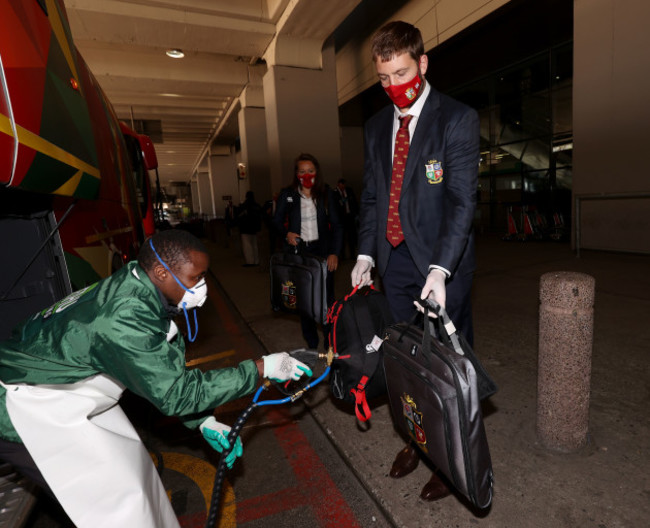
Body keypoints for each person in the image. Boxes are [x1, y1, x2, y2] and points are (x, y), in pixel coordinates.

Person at [0, 229, 312, 527]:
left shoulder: (142, 289)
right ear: (162, 273)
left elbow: (160, 370)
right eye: (196, 278)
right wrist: (260, 368)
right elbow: (176, 392)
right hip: (26, 407)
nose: (202, 286)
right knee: (113, 505)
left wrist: (201, 421)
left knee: (136, 477)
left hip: (64, 391)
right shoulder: (122, 319)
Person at [351, 21, 479, 501]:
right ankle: (415, 440)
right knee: (405, 364)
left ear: (422, 63)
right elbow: (372, 197)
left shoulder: (456, 118)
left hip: (441, 269)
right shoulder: (376, 126)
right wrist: (365, 252)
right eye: (383, 78)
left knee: (446, 369)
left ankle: (449, 461)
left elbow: (462, 203)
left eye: (401, 73)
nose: (393, 86)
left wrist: (442, 269)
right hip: (394, 262)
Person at [273, 153, 343, 350]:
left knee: (327, 300)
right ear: (296, 174)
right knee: (304, 301)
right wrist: (286, 233)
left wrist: (334, 252)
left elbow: (338, 226)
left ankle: (330, 343)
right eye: (302, 171)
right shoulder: (288, 194)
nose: (306, 175)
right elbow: (276, 221)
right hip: (299, 253)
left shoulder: (327, 193)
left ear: (316, 172)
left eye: (310, 171)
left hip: (323, 253)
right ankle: (312, 343)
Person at [236, 191, 263, 266]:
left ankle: (250, 262)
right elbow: (260, 217)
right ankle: (256, 261)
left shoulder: (244, 205)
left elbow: (239, 217)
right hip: (255, 228)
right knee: (255, 245)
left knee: (247, 245)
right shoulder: (257, 206)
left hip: (245, 228)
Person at [335, 178, 359, 259]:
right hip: (341, 218)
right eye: (341, 185)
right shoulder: (334, 193)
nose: (343, 187)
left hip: (350, 216)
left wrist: (356, 213)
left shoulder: (349, 190)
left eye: (344, 185)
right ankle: (342, 256)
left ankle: (352, 254)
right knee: (342, 237)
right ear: (338, 184)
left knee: (352, 236)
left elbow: (354, 202)